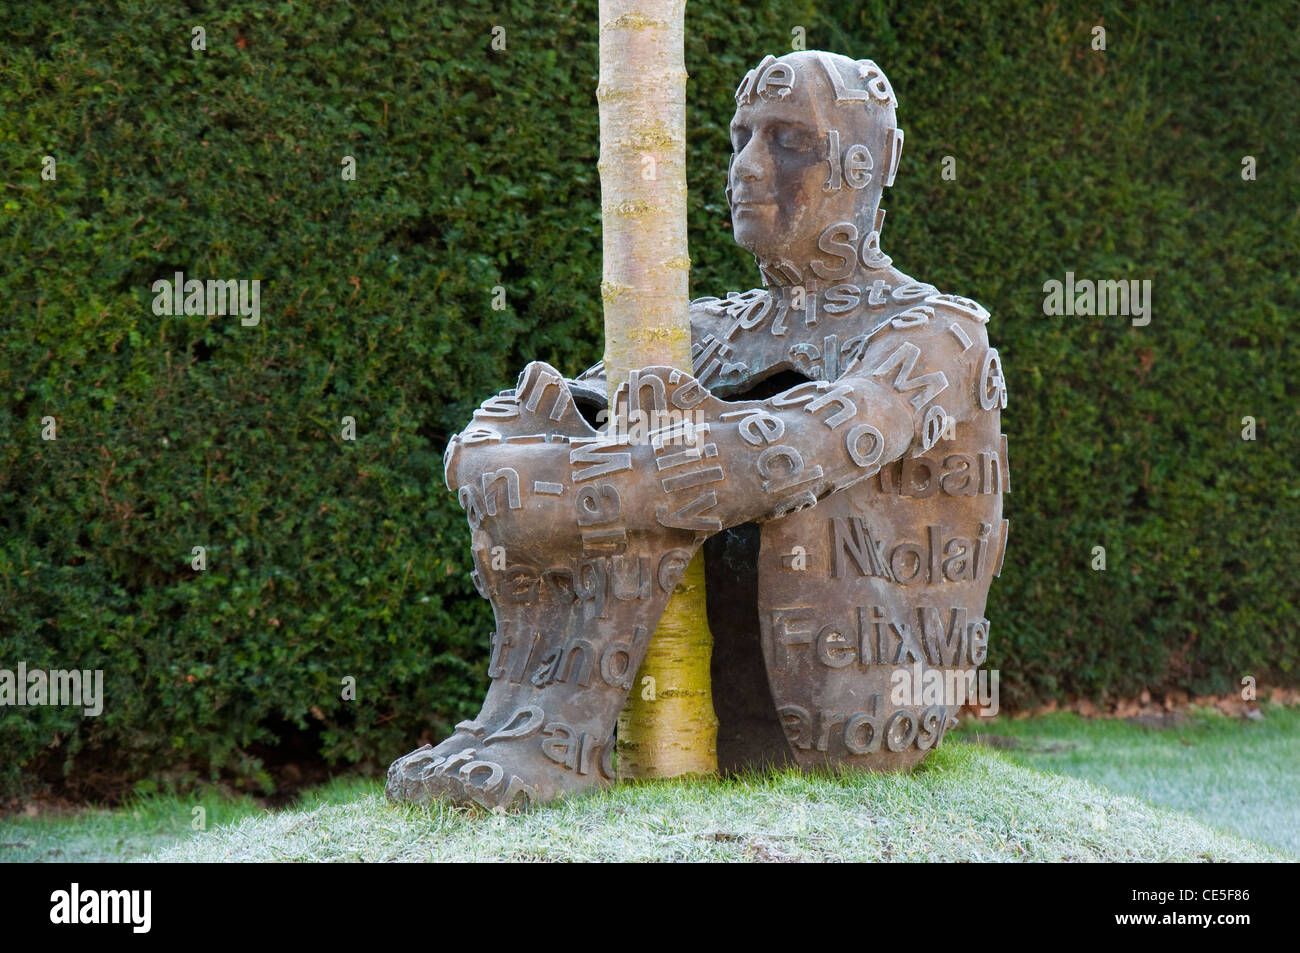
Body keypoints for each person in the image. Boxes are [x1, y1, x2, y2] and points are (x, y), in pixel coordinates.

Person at [387, 51, 1009, 810]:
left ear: (862, 165)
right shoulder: (708, 326)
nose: (745, 167)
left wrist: (569, 487)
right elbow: (527, 408)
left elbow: (801, 447)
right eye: (741, 136)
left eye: (785, 141)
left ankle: (554, 744)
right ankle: (524, 728)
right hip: (719, 693)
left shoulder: (938, 333)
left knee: (677, 448)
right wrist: (498, 465)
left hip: (859, 704)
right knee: (642, 432)